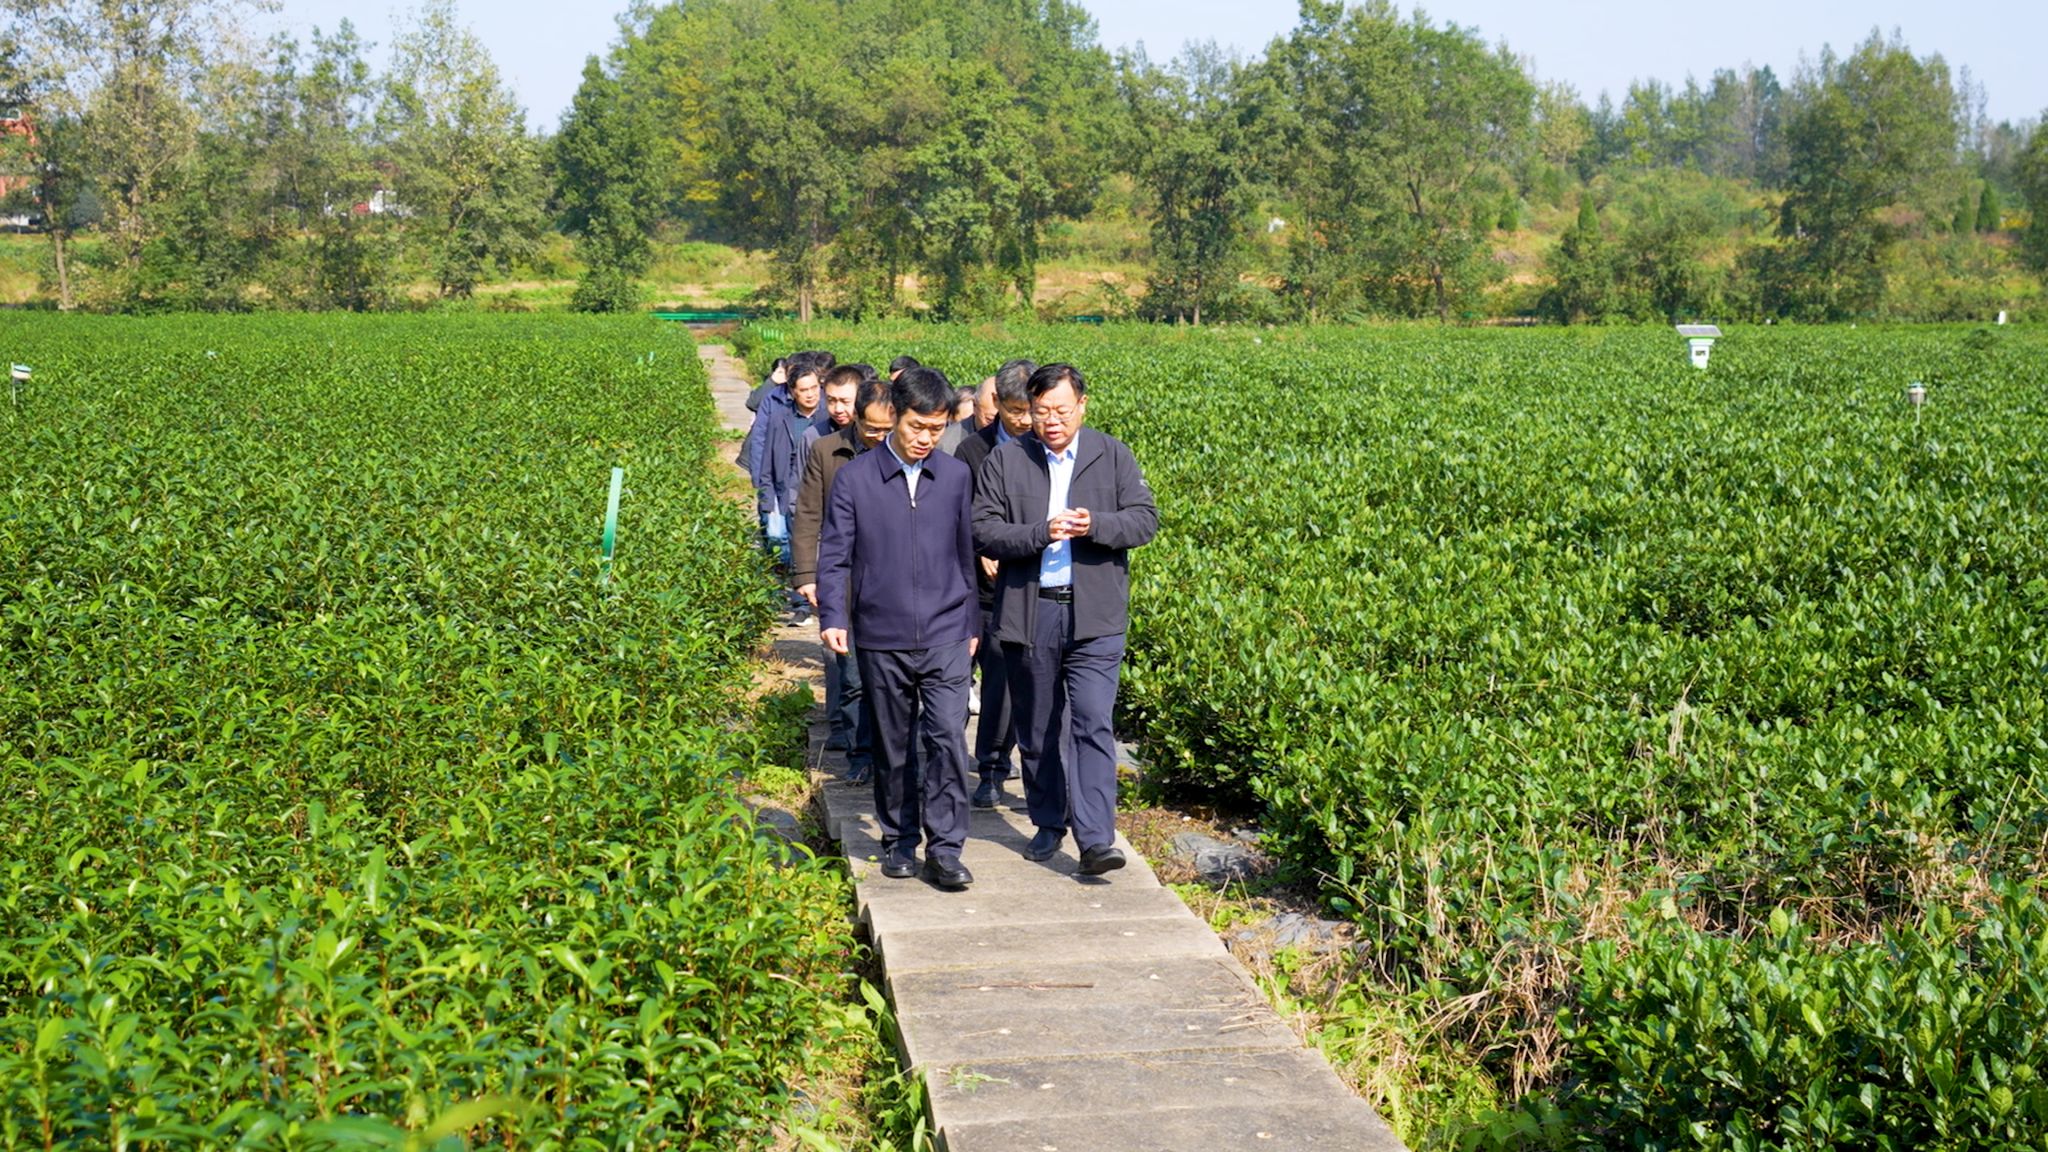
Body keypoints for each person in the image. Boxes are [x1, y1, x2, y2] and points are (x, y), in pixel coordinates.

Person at [972, 363, 1157, 876]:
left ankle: (1096, 839)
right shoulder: (1007, 459)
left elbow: (1144, 521)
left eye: (1061, 410)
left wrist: (1096, 524)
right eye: (1041, 411)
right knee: (1038, 726)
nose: (1051, 421)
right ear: (1028, 411)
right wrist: (1040, 532)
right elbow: (983, 529)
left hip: (1095, 615)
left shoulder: (1112, 454)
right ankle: (1049, 820)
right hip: (1030, 611)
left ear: (1082, 406)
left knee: (1093, 720)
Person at [818, 367, 979, 891]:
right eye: (917, 427)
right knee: (894, 742)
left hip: (947, 630)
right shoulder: (857, 479)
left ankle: (947, 848)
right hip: (881, 631)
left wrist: (971, 620)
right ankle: (899, 839)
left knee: (947, 737)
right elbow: (835, 555)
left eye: (937, 429)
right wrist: (834, 617)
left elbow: (966, 554)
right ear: (895, 417)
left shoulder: (954, 477)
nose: (927, 438)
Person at [794, 377, 897, 784]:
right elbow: (808, 515)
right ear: (856, 417)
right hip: (846, 578)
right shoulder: (826, 450)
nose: (879, 437)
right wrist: (806, 574)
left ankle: (896, 755)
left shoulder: (906, 452)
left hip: (893, 581)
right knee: (852, 676)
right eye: (872, 428)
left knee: (893, 679)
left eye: (887, 429)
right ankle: (860, 754)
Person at [954, 358, 1036, 808]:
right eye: (1015, 411)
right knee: (977, 681)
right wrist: (981, 544)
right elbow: (956, 514)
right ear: (997, 403)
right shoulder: (972, 451)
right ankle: (970, 767)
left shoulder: (1048, 451)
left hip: (1028, 587)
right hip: (981, 592)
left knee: (1017, 686)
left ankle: (1005, 769)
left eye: (1030, 411)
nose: (1024, 420)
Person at [751, 356, 827, 596]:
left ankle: (807, 597)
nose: (810, 395)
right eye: (803, 390)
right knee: (783, 538)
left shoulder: (829, 417)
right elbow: (766, 455)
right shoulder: (780, 417)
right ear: (792, 392)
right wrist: (765, 492)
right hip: (786, 487)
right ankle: (796, 594)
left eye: (814, 388)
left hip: (817, 489)